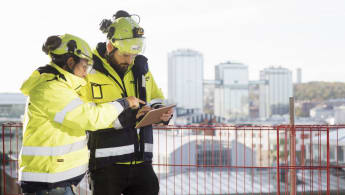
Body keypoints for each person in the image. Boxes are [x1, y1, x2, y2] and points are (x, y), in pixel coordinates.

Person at [19, 34, 144, 195]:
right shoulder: (51, 89)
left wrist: (126, 117)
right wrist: (123, 103)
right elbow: (91, 117)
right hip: (49, 183)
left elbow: (86, 117)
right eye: (84, 67)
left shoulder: (62, 87)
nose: (86, 74)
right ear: (71, 62)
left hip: (54, 181)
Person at [82, 10, 173, 195]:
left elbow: (155, 96)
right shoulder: (88, 72)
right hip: (106, 166)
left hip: (142, 164)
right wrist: (128, 116)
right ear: (109, 47)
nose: (129, 60)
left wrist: (159, 110)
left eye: (133, 55)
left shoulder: (140, 67)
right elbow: (86, 115)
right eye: (125, 55)